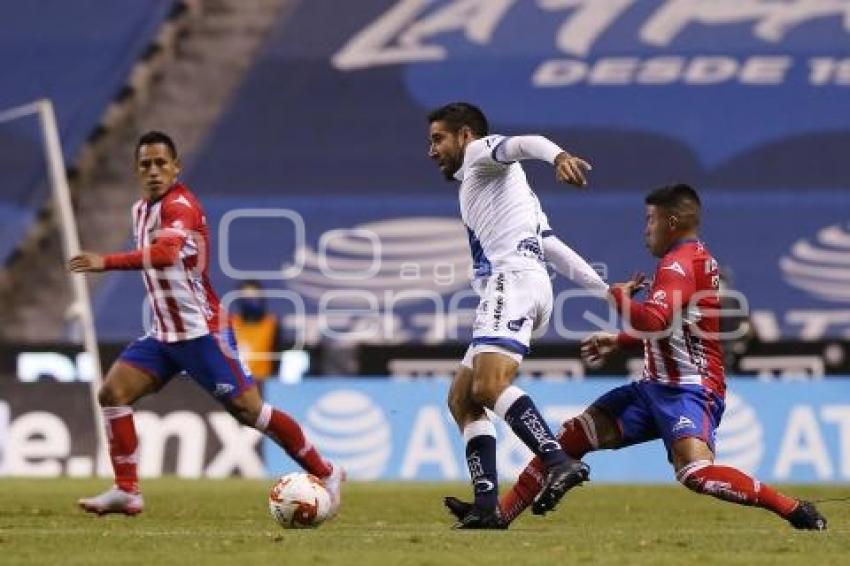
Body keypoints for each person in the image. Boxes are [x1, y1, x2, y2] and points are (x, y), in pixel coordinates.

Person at [445, 184, 827, 531]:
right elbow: (671, 326)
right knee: (573, 435)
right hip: (653, 388)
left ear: (672, 222)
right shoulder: (693, 259)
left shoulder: (679, 265)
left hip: (688, 391)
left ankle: (794, 509)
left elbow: (654, 318)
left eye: (651, 219)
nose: (646, 229)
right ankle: (499, 515)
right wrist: (621, 340)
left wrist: (616, 297)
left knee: (696, 473)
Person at [70, 131, 343, 516]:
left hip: (203, 333)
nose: (153, 171)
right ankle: (127, 490)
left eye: (161, 163)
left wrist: (105, 262)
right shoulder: (139, 210)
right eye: (145, 164)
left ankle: (326, 472)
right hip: (164, 334)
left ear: (176, 167)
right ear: (136, 170)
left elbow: (165, 254)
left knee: (251, 412)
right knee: (112, 394)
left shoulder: (182, 206)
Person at [428, 102, 607, 528]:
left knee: (490, 387)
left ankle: (557, 460)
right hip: (527, 284)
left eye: (438, 139)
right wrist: (606, 291)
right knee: (462, 398)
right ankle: (487, 506)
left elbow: (526, 143)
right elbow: (550, 244)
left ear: (465, 135)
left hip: (511, 282)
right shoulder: (513, 193)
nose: (431, 150)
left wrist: (559, 156)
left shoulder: (480, 154)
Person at [231, 280, 279, 381]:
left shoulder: (271, 323)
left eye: (253, 297)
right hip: (238, 382)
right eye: (246, 297)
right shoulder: (232, 323)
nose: (250, 301)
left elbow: (277, 357)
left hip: (264, 381)